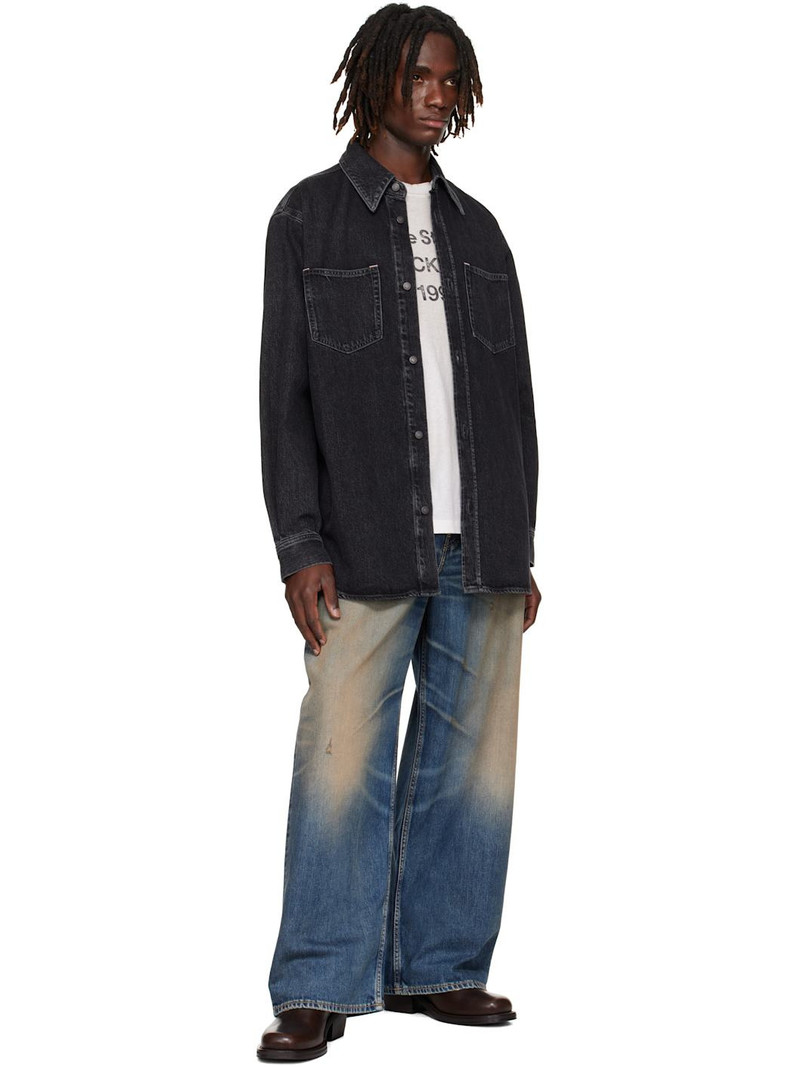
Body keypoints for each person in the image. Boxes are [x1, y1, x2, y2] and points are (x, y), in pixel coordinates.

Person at [256, 3, 542, 1059]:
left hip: (483, 549)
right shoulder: (307, 219)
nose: (437, 94)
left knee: (472, 768)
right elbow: (284, 398)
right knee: (340, 762)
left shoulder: (480, 232)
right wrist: (300, 543)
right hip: (363, 543)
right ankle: (317, 981)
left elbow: (512, 400)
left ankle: (439, 965)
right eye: (419, 75)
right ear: (375, 79)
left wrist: (518, 546)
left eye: (451, 78)